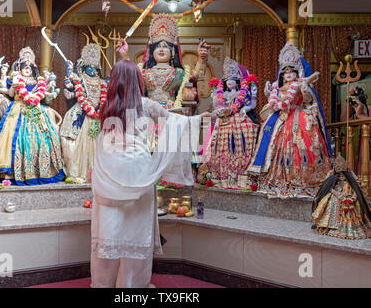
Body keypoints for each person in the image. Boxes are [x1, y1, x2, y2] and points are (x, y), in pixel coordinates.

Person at [91, 59, 211, 288]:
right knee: (136, 234)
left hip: (108, 172)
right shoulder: (146, 105)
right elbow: (175, 122)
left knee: (108, 232)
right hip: (139, 172)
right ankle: (132, 287)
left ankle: (102, 284)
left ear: (113, 82)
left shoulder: (107, 108)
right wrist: (198, 120)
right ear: (138, 81)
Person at [247, 42, 333, 198]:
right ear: (281, 75)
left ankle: (303, 180)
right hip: (280, 117)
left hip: (298, 116)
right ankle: (276, 178)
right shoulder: (277, 88)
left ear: (297, 73)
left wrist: (305, 88)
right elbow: (274, 104)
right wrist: (268, 94)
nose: (288, 74)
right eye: (285, 72)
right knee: (270, 140)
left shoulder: (301, 85)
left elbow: (307, 100)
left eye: (291, 71)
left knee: (301, 145)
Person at [0, 47, 64, 185]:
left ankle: (38, 171)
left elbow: (44, 94)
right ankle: (10, 173)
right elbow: (11, 94)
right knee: (11, 139)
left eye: (29, 67)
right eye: (24, 67)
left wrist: (48, 85)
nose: (27, 69)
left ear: (33, 69)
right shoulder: (16, 79)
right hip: (18, 110)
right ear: (19, 68)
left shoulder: (38, 81)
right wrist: (9, 87)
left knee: (42, 141)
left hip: (36, 110)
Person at [203, 57, 259, 189]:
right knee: (219, 146)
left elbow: (252, 104)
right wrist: (214, 96)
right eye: (227, 80)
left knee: (245, 136)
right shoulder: (223, 94)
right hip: (224, 120)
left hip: (239, 118)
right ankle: (221, 177)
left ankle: (242, 176)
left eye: (232, 80)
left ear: (238, 82)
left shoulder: (242, 93)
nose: (229, 82)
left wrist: (246, 107)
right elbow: (217, 105)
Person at [60, 42, 108, 183]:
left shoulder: (102, 82)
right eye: (89, 67)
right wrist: (69, 73)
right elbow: (70, 92)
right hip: (80, 115)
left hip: (98, 116)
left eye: (95, 67)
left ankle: (98, 175)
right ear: (83, 67)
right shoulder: (79, 79)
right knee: (74, 146)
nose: (93, 70)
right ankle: (77, 173)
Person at [312, 155, 371, 239]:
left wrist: (353, 197)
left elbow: (357, 185)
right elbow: (326, 185)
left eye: (343, 176)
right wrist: (337, 194)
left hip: (349, 197)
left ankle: (351, 227)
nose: (341, 178)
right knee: (331, 202)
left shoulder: (350, 181)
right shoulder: (333, 179)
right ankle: (331, 225)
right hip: (336, 196)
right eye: (339, 176)